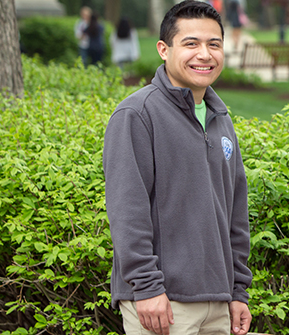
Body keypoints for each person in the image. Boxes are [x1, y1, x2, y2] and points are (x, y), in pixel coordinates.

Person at [103, 1, 253, 335]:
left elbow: (234, 213)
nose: (205, 54)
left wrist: (238, 290)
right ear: (163, 49)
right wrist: (147, 287)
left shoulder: (220, 118)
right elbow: (128, 210)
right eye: (191, 44)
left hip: (218, 302)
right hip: (163, 303)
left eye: (214, 44)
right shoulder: (137, 115)